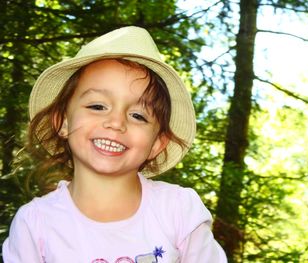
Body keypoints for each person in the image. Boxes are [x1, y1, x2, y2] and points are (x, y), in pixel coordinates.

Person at [2, 26, 227, 263]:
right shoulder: (35, 223)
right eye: (97, 106)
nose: (116, 122)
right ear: (63, 122)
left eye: (138, 116)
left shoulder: (179, 211)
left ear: (157, 144)